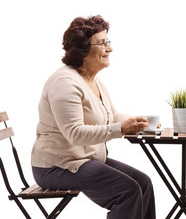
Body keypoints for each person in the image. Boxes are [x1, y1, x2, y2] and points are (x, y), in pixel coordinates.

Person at [31, 15, 156, 219]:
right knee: (127, 192)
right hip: (57, 166)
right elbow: (75, 133)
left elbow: (112, 116)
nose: (110, 48)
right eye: (103, 43)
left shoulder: (92, 80)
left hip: (85, 160)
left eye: (108, 42)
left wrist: (140, 122)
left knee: (143, 183)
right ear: (82, 49)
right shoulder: (65, 83)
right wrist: (122, 129)